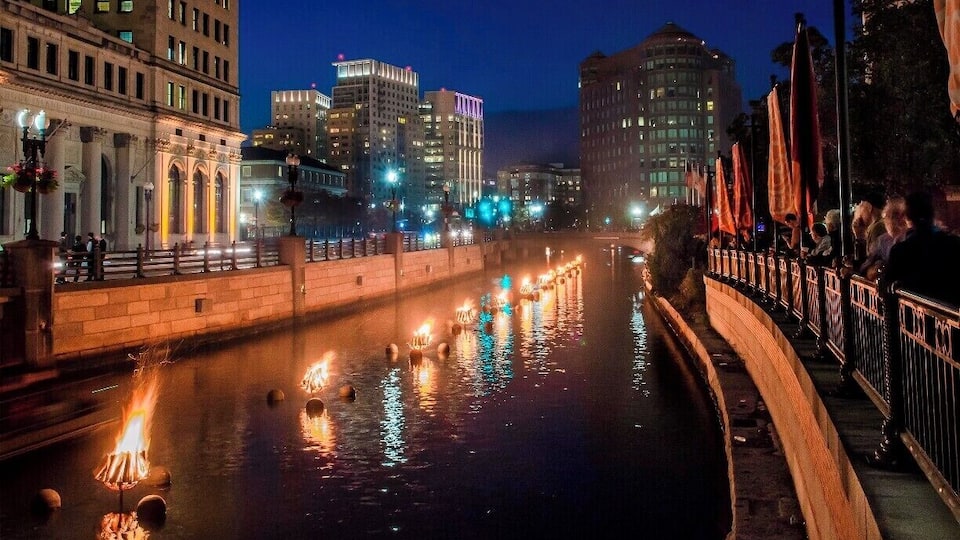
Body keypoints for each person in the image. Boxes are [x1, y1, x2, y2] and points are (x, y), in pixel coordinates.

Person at [884, 191, 960, 306]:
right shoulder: (954, 243)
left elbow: (886, 288)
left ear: (906, 217)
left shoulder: (900, 250)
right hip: (949, 315)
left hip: (913, 318)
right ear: (933, 214)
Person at [859, 196, 907, 280]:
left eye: (896, 215)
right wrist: (874, 270)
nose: (893, 220)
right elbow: (865, 267)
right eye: (888, 216)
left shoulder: (913, 239)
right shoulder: (882, 241)